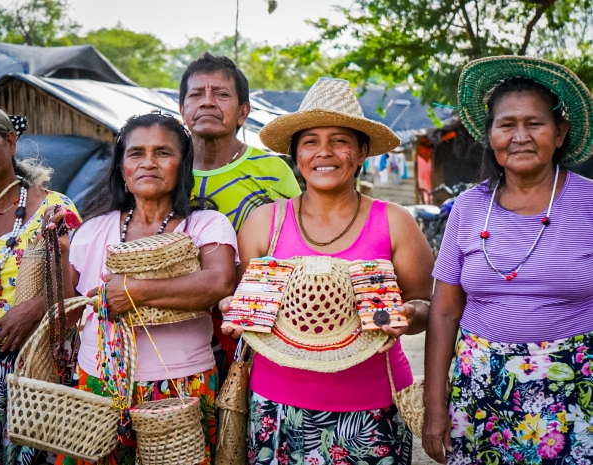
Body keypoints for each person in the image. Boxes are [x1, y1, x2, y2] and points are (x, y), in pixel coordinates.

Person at [220, 77, 434, 464]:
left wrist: (410, 314)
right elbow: (247, 303)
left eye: (340, 140)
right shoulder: (262, 223)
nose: (325, 152)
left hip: (371, 408)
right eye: (310, 141)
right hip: (275, 407)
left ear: (361, 151)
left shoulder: (396, 222)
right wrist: (234, 309)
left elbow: (426, 306)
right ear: (296, 154)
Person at [422, 56, 593, 465]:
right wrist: (434, 407)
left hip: (574, 387)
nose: (520, 136)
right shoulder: (466, 207)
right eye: (506, 124)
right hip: (481, 391)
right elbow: (444, 313)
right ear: (490, 135)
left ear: (560, 132)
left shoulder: (590, 202)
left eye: (534, 123)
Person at [55, 112, 238, 465]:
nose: (149, 163)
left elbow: (219, 282)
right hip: (98, 383)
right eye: (136, 153)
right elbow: (70, 309)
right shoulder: (94, 229)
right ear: (122, 166)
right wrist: (60, 252)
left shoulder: (205, 225)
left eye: (163, 153)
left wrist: (134, 291)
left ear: (182, 164)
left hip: (182, 385)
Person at [179, 52, 302, 370]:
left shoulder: (272, 170)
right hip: (177, 331)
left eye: (221, 94)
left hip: (258, 328)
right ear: (182, 110)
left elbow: (296, 244)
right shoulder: (163, 169)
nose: (207, 102)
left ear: (243, 112)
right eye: (196, 94)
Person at [0, 104, 79, 465]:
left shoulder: (54, 209)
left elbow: (80, 290)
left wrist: (37, 308)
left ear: (11, 141)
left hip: (37, 368)